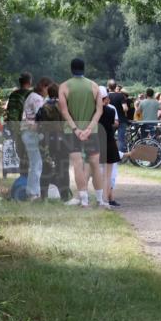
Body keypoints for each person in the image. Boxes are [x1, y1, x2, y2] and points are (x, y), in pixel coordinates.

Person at [58, 58, 106, 209]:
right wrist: (89, 129)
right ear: (84, 69)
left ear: (71, 69)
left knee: (77, 164)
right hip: (92, 131)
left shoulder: (64, 86)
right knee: (95, 164)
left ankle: (84, 200)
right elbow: (99, 110)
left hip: (71, 131)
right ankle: (100, 200)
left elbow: (64, 111)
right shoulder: (94, 86)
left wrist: (76, 129)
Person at [34, 79, 72, 201]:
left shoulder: (43, 107)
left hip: (46, 141)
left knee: (46, 168)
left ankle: (43, 196)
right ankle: (65, 197)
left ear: (49, 93)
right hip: (62, 140)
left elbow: (37, 125)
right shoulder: (64, 106)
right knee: (63, 168)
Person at [21, 76, 47, 201]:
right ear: (44, 87)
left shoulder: (32, 96)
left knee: (35, 163)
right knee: (36, 164)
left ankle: (34, 192)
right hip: (31, 133)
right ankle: (33, 193)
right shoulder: (37, 98)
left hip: (27, 132)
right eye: (48, 88)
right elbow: (41, 116)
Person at [97, 88, 121, 207]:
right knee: (108, 174)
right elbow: (113, 124)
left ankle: (97, 197)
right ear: (105, 98)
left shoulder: (92, 111)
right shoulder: (111, 110)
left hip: (96, 142)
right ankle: (105, 199)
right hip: (109, 142)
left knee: (96, 172)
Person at [6, 72, 33, 174]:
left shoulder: (13, 95)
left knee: (21, 154)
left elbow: (9, 113)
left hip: (16, 128)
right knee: (28, 155)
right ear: (29, 82)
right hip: (28, 129)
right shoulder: (31, 94)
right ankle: (26, 177)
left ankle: (23, 176)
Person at [107, 80, 130, 154]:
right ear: (115, 87)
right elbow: (125, 108)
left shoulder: (106, 96)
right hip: (121, 120)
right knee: (121, 139)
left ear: (108, 87)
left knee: (109, 138)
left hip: (110, 120)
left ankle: (109, 154)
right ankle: (121, 156)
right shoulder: (120, 95)